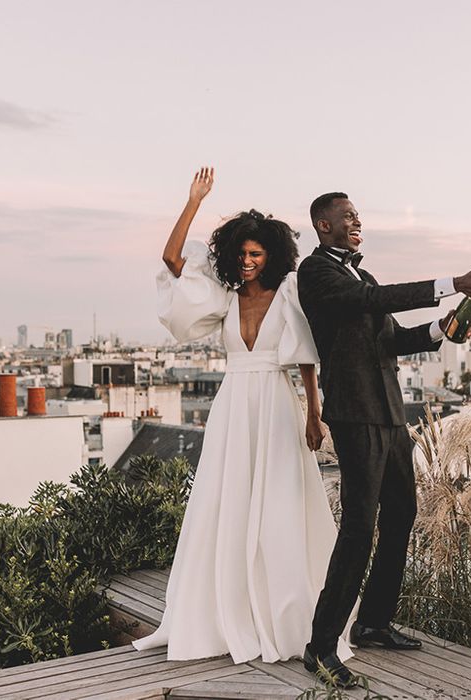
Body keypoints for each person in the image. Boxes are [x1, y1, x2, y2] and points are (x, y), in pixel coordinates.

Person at [132, 169, 353, 664]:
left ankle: (288, 615)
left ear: (271, 255)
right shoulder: (224, 296)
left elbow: (305, 356)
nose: (248, 262)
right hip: (234, 405)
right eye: (242, 255)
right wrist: (192, 201)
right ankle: (226, 610)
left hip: (276, 403)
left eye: (257, 255)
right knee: (226, 501)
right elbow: (172, 260)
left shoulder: (291, 291)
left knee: (280, 504)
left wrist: (314, 413)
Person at [297, 192, 471, 688]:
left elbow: (391, 337)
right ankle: (320, 647)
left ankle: (372, 623)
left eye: (357, 215)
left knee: (402, 513)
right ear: (324, 225)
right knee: (359, 529)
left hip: (389, 414)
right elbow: (371, 303)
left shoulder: (362, 275)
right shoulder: (316, 273)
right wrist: (452, 284)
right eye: (348, 216)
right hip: (354, 415)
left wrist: (443, 328)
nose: (357, 221)